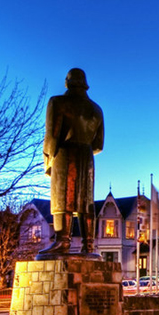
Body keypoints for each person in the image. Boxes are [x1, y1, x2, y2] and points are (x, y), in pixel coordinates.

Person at [37, 68, 104, 259]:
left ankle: (62, 241)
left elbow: (51, 135)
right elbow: (99, 144)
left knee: (62, 198)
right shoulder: (96, 109)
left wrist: (48, 160)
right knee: (86, 201)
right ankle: (88, 244)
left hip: (64, 153)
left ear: (67, 82)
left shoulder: (58, 102)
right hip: (87, 156)